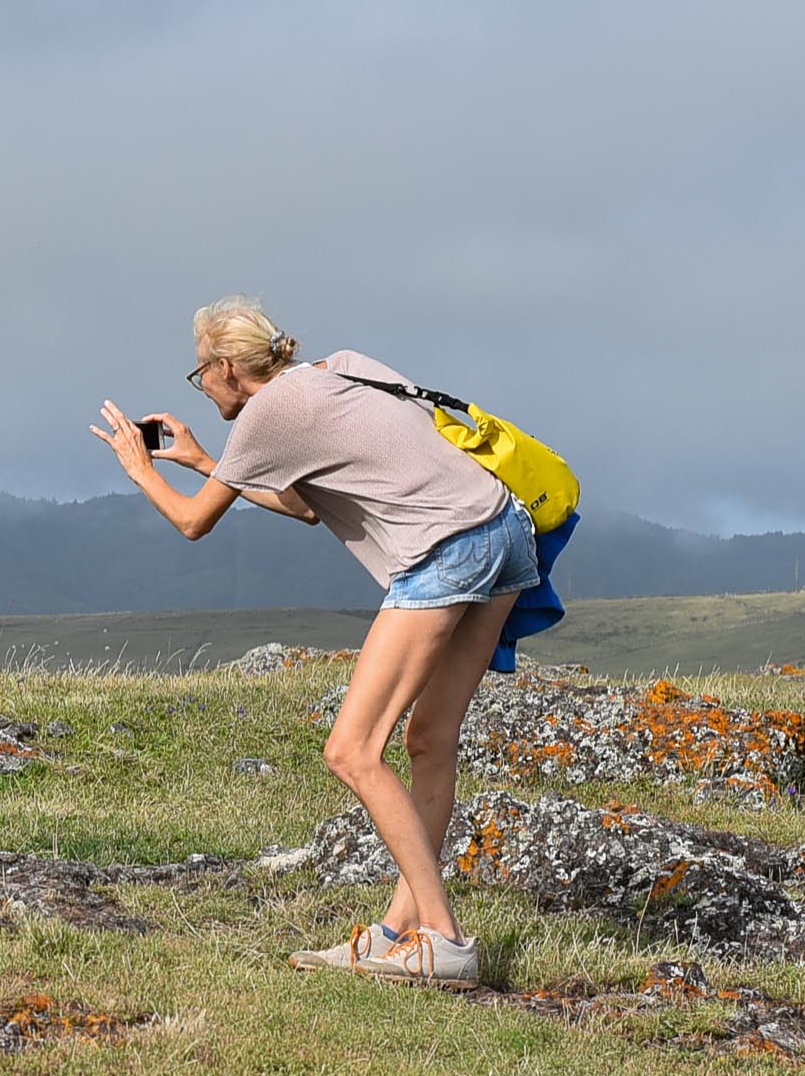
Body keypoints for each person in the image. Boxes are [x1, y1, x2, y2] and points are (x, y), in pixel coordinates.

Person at [89, 296, 537, 991]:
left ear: (228, 367)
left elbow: (191, 526)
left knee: (352, 750)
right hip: (503, 529)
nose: (202, 387)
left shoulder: (269, 413)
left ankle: (445, 940)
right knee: (430, 741)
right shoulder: (343, 369)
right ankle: (397, 936)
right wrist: (208, 460)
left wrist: (139, 467)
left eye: (199, 373)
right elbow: (303, 506)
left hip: (444, 552)